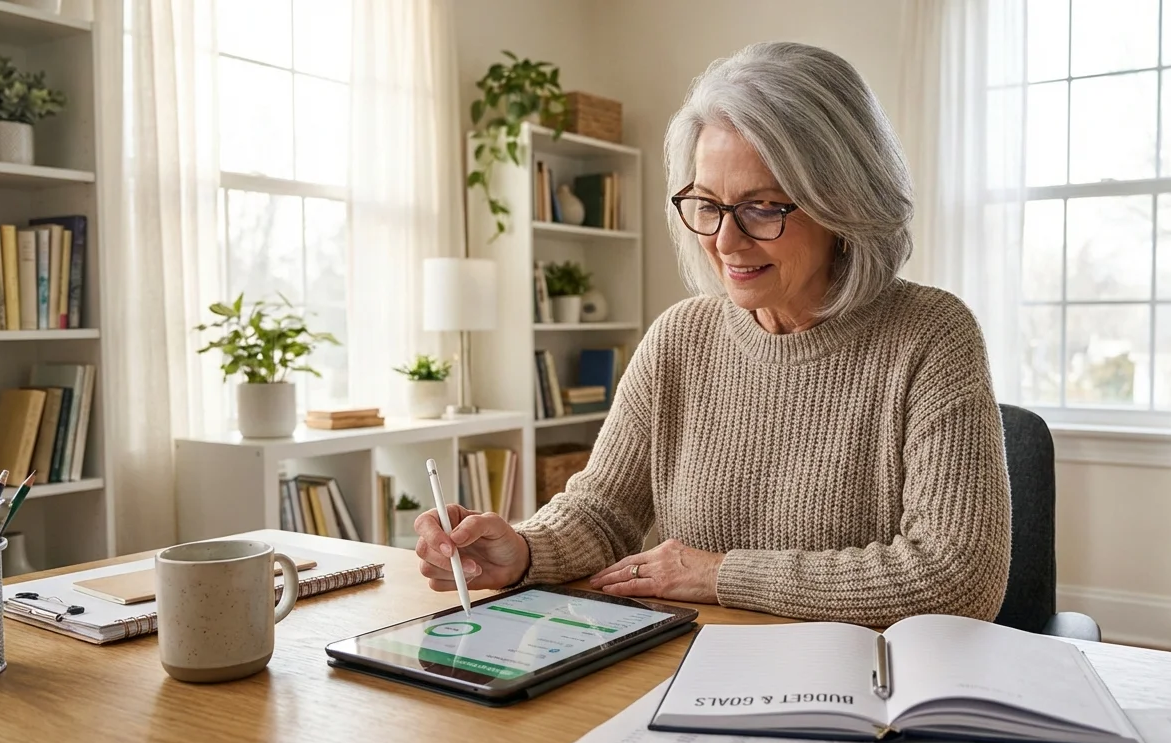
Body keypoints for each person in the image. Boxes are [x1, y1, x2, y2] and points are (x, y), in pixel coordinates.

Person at [414, 41, 1011, 626]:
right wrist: (521, 551)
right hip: (693, 676)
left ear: (844, 205)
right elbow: (602, 512)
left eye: (762, 208)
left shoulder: (932, 336)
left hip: (858, 693)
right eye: (706, 204)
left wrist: (718, 574)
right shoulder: (681, 338)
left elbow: (957, 577)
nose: (725, 242)